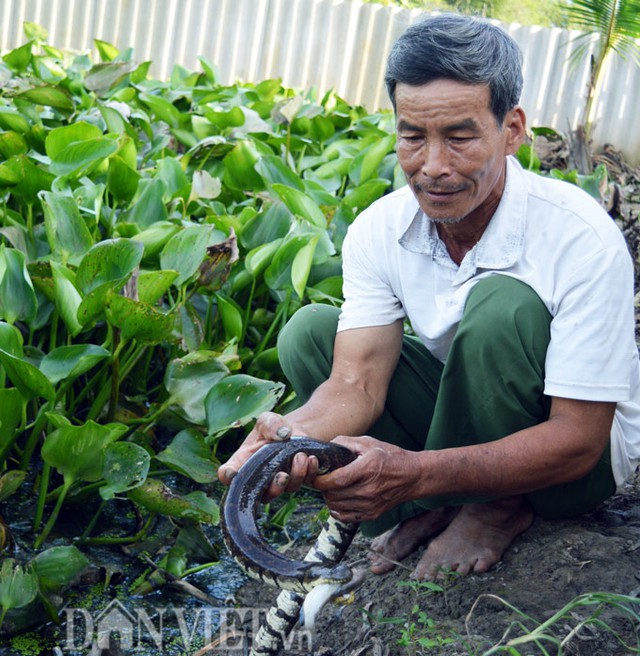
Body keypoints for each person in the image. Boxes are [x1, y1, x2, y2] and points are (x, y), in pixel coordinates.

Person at [219, 13, 640, 581]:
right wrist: (287, 439)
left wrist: (417, 471)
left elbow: (578, 440)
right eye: (412, 137)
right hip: (471, 420)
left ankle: (492, 504)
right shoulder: (379, 229)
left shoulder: (580, 237)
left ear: (512, 130)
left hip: (569, 470)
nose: (433, 167)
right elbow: (355, 384)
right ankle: (437, 499)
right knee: (311, 332)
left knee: (501, 307)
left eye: (461, 138)